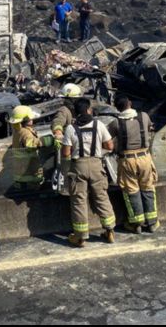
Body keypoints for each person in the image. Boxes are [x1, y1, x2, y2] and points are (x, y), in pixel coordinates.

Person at [62, 98, 116, 247]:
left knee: (79, 201)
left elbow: (66, 153)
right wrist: (98, 150)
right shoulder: (99, 125)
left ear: (75, 112)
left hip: (78, 166)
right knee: (101, 197)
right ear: (88, 110)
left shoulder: (71, 128)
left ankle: (80, 237)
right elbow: (110, 146)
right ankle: (110, 230)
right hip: (96, 165)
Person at [107, 95, 159, 234]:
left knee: (131, 191)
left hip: (127, 160)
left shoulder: (116, 123)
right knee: (148, 187)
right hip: (144, 157)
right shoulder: (144, 116)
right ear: (130, 103)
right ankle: (152, 223)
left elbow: (107, 139)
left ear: (117, 108)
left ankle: (136, 224)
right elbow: (150, 128)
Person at [8, 105, 52, 190]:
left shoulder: (18, 131)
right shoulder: (25, 132)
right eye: (30, 118)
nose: (32, 119)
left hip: (21, 174)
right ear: (24, 120)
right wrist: (49, 140)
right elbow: (31, 143)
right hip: (29, 177)